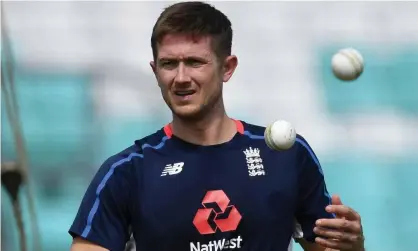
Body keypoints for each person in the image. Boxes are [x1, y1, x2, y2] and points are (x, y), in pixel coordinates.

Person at [69, 2, 365, 251]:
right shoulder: (126, 172)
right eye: (169, 64)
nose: (181, 77)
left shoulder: (287, 154)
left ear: (227, 67)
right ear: (155, 70)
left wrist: (354, 245)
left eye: (195, 62)